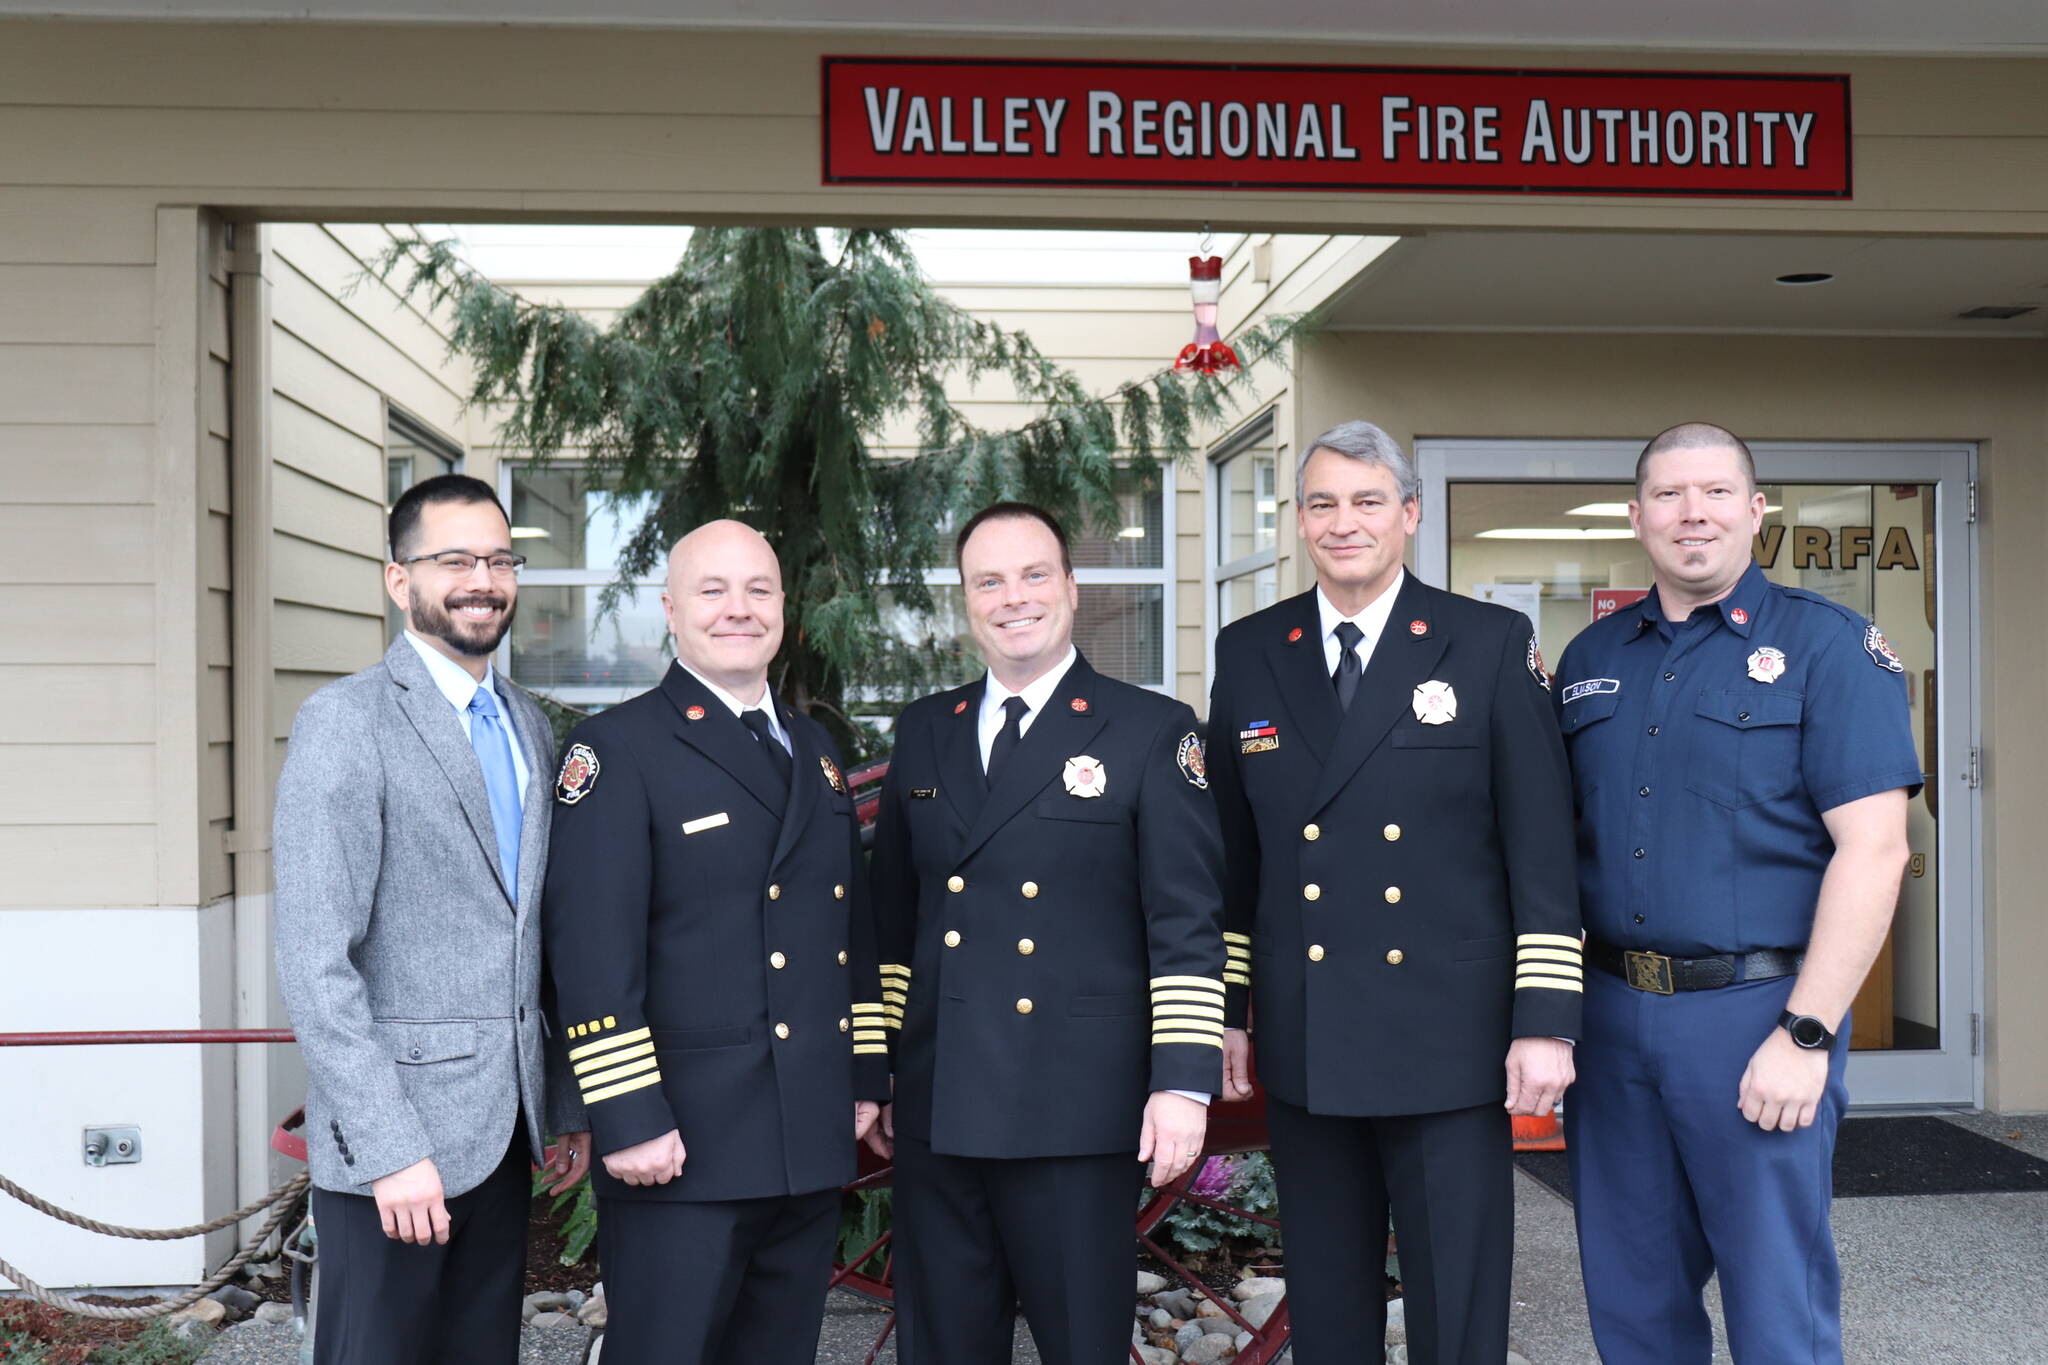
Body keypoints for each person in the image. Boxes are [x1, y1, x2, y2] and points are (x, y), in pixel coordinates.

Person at [1205, 421, 1582, 1365]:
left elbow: (1542, 847)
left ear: (1409, 514)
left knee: (1456, 1314)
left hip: (1448, 1038)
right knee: (1329, 1313)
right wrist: (1230, 1010)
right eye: (1324, 503)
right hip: (1309, 1034)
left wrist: (1545, 1020)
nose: (1345, 522)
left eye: (1368, 501)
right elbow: (1233, 861)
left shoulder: (1486, 642)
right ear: (1301, 521)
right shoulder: (1251, 650)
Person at [1555, 423, 1917, 1364]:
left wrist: (1807, 1033)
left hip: (1756, 1015)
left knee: (1775, 1300)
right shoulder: (1591, 657)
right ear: (1636, 516)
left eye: (1716, 492)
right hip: (1611, 1016)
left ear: (1757, 511)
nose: (1693, 513)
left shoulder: (1829, 646)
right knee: (1632, 1296)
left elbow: (1875, 851)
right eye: (1669, 494)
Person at [867, 502, 1227, 1365]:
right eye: (988, 581)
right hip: (941, 1103)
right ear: (967, 599)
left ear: (1071, 587)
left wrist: (1182, 1082)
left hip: (1077, 1107)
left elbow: (1185, 922)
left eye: (1033, 574)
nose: (1013, 597)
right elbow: (894, 922)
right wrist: (882, 1069)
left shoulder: (1150, 729)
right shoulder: (928, 727)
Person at [540, 519, 887, 1365]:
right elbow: (589, 951)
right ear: (671, 610)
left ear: (783, 608)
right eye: (713, 590)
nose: (740, 608)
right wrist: (627, 1114)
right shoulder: (617, 748)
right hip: (681, 1143)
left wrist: (862, 1075)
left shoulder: (813, 747)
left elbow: (848, 928)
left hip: (804, 1133)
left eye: (758, 590)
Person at [273, 474, 589, 1365]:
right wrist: (389, 1148)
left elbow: (535, 937)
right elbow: (316, 961)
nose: (481, 580)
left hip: (504, 1138)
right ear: (398, 578)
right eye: (454, 559)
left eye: (499, 559)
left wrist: (562, 1101)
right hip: (396, 1149)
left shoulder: (527, 725)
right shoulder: (345, 721)